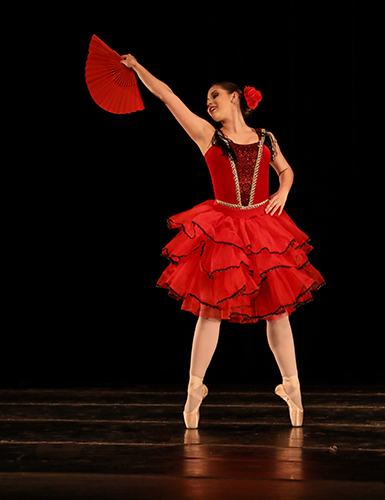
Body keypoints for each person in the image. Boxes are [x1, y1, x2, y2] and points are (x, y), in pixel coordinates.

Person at [121, 54, 325, 429]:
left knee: (278, 311)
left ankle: (293, 389)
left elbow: (285, 169)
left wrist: (283, 191)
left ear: (235, 97)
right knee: (209, 310)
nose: (208, 103)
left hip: (263, 228)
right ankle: (194, 389)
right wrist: (137, 67)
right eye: (206, 99)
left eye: (214, 95)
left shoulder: (266, 137)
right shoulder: (208, 135)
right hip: (224, 229)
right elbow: (167, 96)